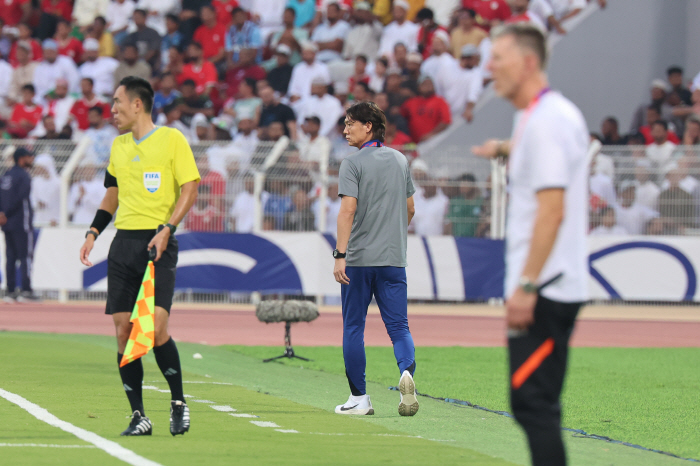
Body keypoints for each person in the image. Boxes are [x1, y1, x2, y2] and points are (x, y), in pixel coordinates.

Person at [472, 23, 589, 466]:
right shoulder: (532, 119)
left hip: (546, 287)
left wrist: (527, 284)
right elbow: (537, 152)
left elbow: (552, 211)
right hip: (544, 284)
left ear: (528, 62)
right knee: (532, 403)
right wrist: (502, 148)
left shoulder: (548, 121)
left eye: (498, 58)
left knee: (533, 404)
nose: (490, 68)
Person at [78, 76, 200, 436]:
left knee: (156, 328)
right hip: (123, 245)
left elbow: (190, 187)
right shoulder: (117, 147)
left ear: (137, 104)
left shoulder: (172, 139)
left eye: (117, 102)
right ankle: (139, 416)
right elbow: (111, 197)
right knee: (123, 332)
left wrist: (167, 228)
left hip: (158, 242)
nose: (112, 110)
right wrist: (93, 232)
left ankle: (178, 402)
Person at [333, 101, 418, 417]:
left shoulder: (351, 163)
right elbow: (410, 208)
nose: (345, 130)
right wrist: (391, 235)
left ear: (368, 126)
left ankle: (359, 399)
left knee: (353, 326)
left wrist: (340, 255)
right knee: (399, 326)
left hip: (359, 259)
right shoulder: (400, 160)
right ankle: (406, 373)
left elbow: (348, 209)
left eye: (349, 123)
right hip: (393, 259)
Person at [0, 148, 39, 302]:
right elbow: (21, 198)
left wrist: (2, 214)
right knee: (25, 256)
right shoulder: (24, 176)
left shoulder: (6, 175)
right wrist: (7, 213)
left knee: (10, 257)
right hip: (21, 222)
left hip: (6, 223)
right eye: (30, 157)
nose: (32, 160)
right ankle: (26, 290)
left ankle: (10, 291)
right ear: (22, 159)